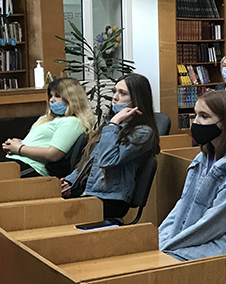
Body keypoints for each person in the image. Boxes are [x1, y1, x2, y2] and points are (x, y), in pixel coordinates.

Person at [159, 90, 226, 271]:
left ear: (225, 122)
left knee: (159, 268)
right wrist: (159, 240)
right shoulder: (203, 157)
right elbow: (182, 205)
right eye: (196, 115)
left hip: (223, 246)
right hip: (193, 239)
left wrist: (170, 246)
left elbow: (217, 220)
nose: (196, 122)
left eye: (204, 116)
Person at [61, 74, 161, 220]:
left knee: (56, 217)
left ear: (137, 99)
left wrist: (114, 123)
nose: (115, 97)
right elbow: (90, 161)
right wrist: (69, 182)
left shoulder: (143, 132)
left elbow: (107, 160)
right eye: (115, 91)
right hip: (91, 193)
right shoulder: (111, 127)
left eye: (123, 93)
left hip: (111, 200)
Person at [3, 77, 95, 177]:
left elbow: (53, 154)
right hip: (17, 161)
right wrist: (20, 143)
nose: (51, 100)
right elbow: (42, 143)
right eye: (50, 96)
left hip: (32, 167)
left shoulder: (72, 122)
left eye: (57, 96)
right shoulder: (47, 119)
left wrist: (19, 148)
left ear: (72, 98)